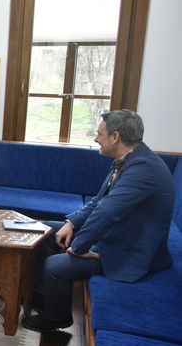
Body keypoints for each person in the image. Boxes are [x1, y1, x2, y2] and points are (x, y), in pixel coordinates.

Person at [22, 110, 175, 333]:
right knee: (45, 230)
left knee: (55, 266)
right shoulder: (129, 159)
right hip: (117, 234)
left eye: (99, 134)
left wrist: (79, 246)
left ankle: (56, 317)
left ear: (115, 137)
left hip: (130, 251)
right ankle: (43, 297)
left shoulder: (144, 169)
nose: (96, 139)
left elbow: (107, 211)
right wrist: (71, 223)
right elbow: (99, 201)